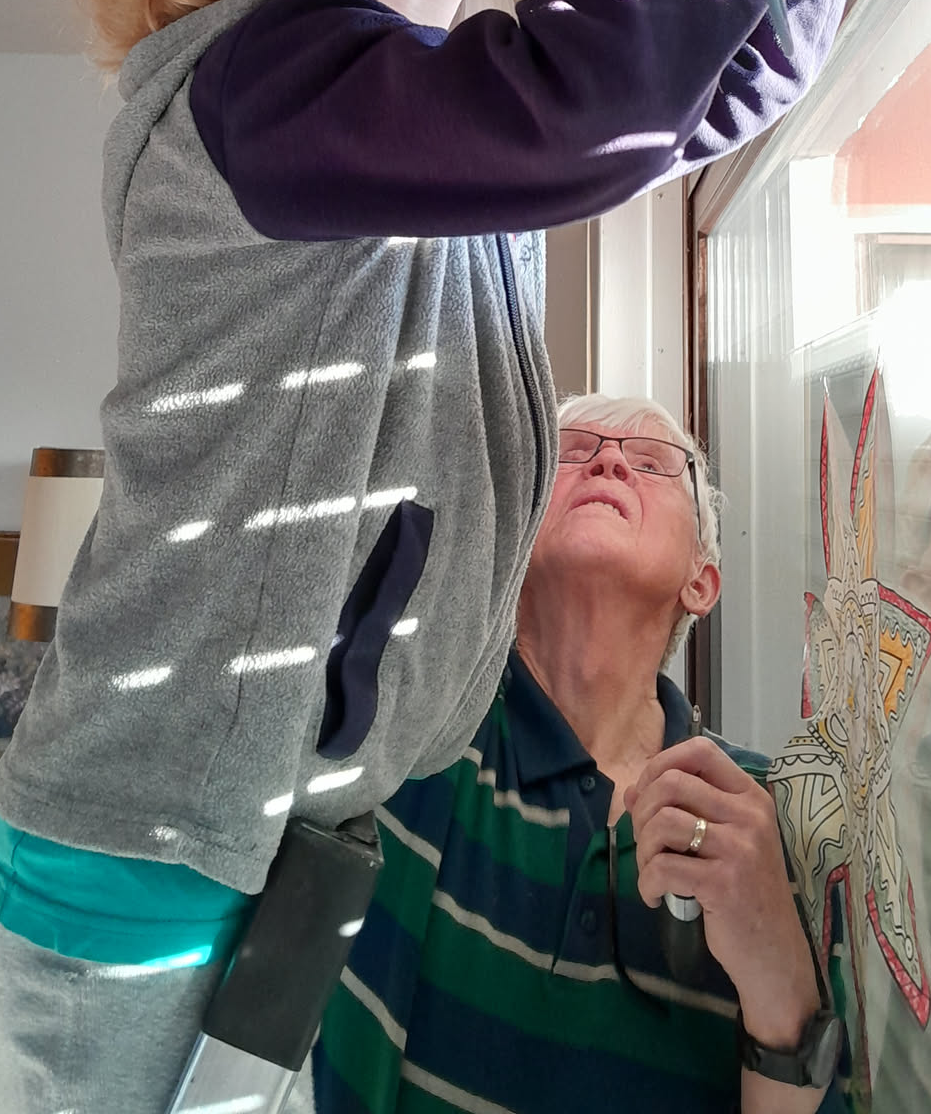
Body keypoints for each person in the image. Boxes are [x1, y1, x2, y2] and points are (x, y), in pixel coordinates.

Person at [0, 0, 868, 1113]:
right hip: (141, 849)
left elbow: (704, 95)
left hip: (252, 838)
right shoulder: (252, 84)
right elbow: (591, 101)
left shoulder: (397, 137)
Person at [307, 394, 846, 1114]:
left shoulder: (769, 815)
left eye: (652, 462)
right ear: (516, 531)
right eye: (573, 451)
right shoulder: (419, 729)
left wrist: (781, 987)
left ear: (701, 582)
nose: (610, 462)